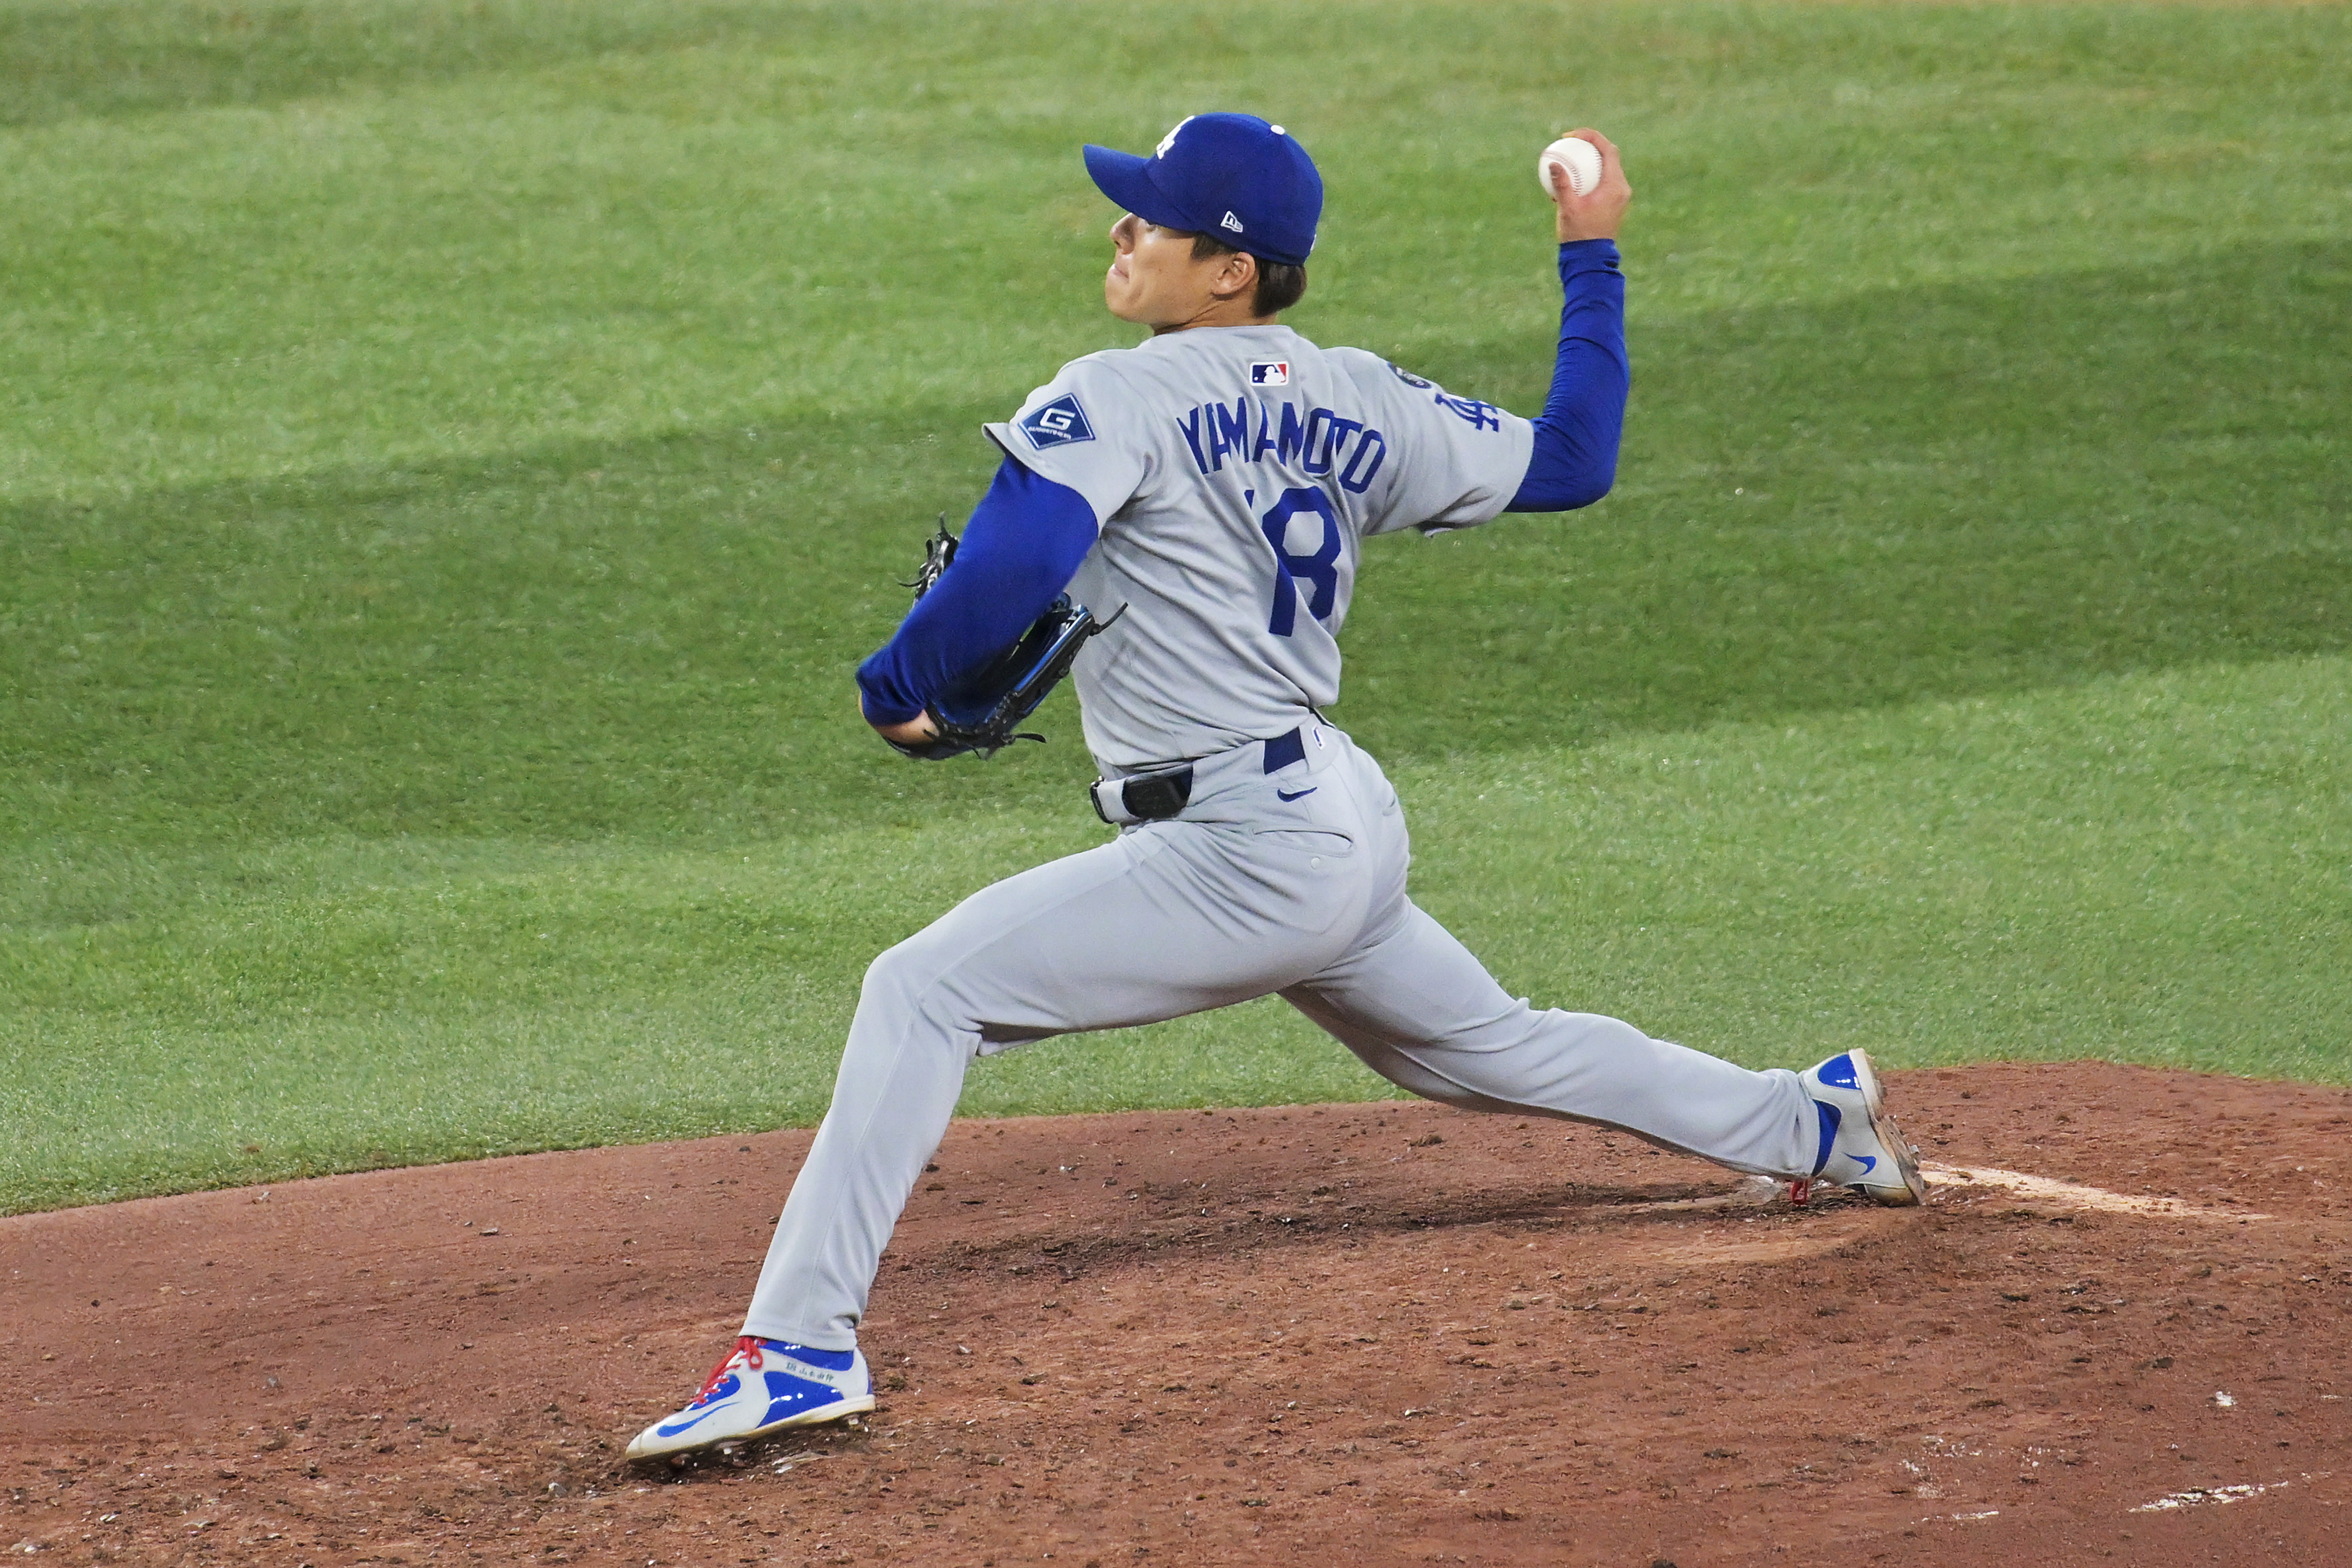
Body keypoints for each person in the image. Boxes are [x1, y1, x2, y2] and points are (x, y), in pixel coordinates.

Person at [623, 113, 1924, 1462]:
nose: (1121, 232)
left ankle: (796, 1350)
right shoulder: (1357, 391)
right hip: (1338, 819)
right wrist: (1589, 251)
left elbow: (1006, 576)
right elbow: (1573, 458)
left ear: (1229, 269)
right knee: (1486, 1046)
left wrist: (893, 689)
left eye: (1150, 218)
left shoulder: (1115, 395)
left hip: (1239, 854)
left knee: (923, 990)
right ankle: (1806, 1119)